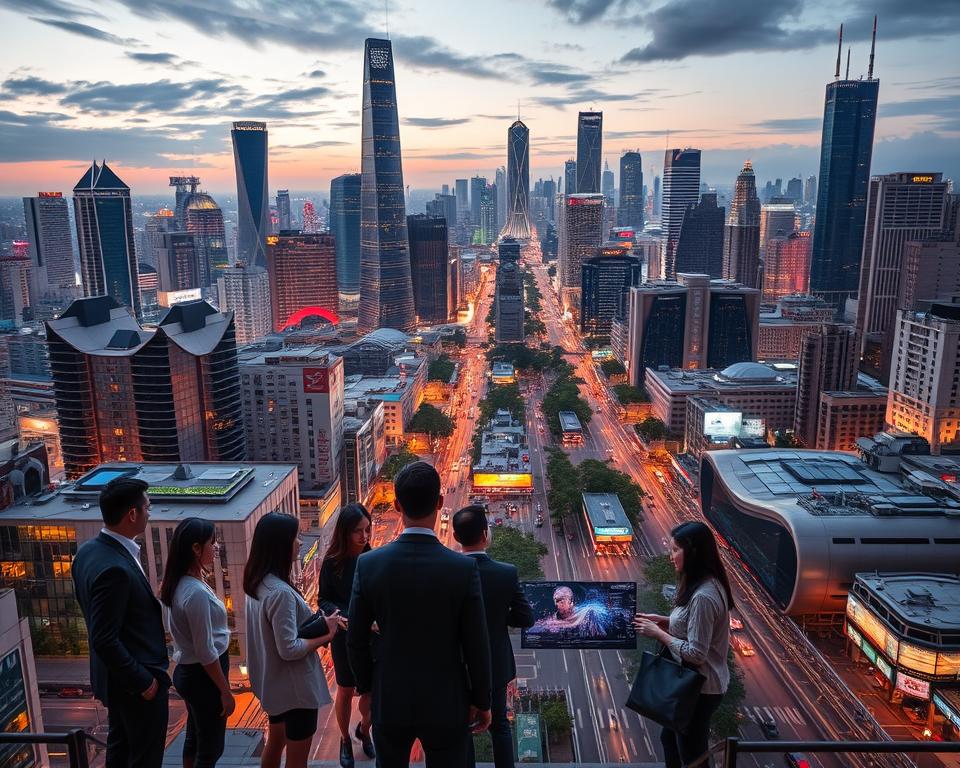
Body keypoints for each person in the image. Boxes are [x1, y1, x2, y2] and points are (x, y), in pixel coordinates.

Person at [347, 462, 492, 768]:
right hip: (446, 699)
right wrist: (482, 700)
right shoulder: (463, 569)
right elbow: (477, 645)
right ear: (440, 502)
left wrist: (368, 689)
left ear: (397, 505)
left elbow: (356, 640)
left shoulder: (369, 565)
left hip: (390, 697)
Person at [72, 477, 170, 768]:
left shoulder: (88, 552)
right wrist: (145, 682)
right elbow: (104, 637)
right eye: (147, 507)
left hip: (116, 683)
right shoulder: (115, 569)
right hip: (135, 685)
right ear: (132, 514)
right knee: (145, 759)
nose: (150, 513)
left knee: (120, 753)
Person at [634, 521, 733, 768]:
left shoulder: (703, 596)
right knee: (669, 739)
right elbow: (694, 628)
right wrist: (664, 621)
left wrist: (659, 634)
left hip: (700, 688)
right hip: (696, 685)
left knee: (692, 756)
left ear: (694, 553)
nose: (671, 556)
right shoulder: (706, 583)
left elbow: (696, 653)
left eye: (676, 550)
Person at [244, 513, 340, 768]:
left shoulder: (256, 584)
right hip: (295, 691)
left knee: (275, 744)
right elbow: (289, 649)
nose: (300, 542)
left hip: (274, 685)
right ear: (281, 545)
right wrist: (326, 635)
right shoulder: (280, 593)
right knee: (297, 761)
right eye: (295, 537)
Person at [452, 505, 533, 768]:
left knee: (462, 728)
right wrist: (498, 617)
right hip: (495, 664)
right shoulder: (506, 572)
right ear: (486, 534)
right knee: (499, 726)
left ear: (456, 537)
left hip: (457, 665)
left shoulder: (448, 572)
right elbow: (525, 618)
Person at [160, 518, 234, 768]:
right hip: (204, 677)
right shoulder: (195, 593)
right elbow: (205, 651)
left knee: (195, 737)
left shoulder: (181, 583)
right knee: (211, 748)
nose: (216, 547)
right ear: (195, 548)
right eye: (212, 542)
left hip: (190, 672)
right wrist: (225, 691)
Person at [319, 503, 374, 767]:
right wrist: (339, 616)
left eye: (367, 529)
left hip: (371, 635)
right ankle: (344, 739)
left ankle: (364, 729)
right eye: (358, 531)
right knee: (345, 689)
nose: (364, 536)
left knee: (372, 692)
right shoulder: (332, 563)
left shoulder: (372, 558)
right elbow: (323, 599)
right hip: (344, 636)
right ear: (345, 532)